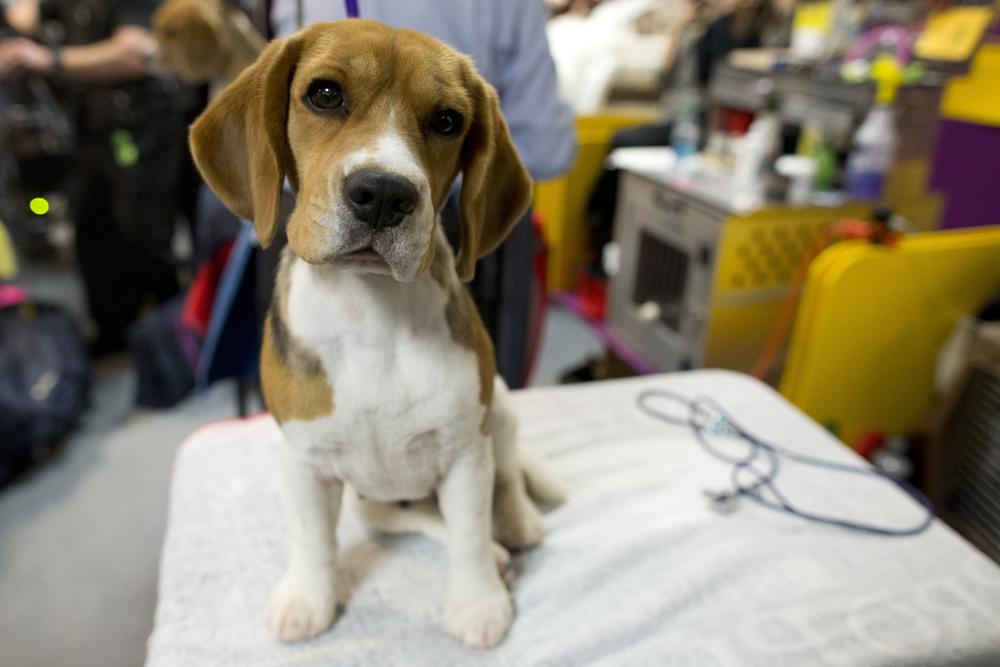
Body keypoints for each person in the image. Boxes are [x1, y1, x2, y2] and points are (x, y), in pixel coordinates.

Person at [265, 0, 578, 388]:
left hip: (333, 218)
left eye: (445, 121)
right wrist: (451, 157)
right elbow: (549, 149)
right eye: (327, 95)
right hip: (456, 221)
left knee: (310, 419)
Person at [0, 0, 184, 355]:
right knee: (91, 234)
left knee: (144, 235)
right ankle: (114, 335)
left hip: (140, 124)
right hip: (87, 128)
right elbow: (25, 18)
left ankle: (175, 344)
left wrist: (50, 60)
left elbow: (133, 53)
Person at [585, 0, 793, 277]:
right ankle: (601, 235)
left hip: (715, 124)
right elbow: (672, 76)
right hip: (689, 118)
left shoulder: (770, 29)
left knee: (623, 145)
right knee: (619, 147)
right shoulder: (714, 25)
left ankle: (602, 236)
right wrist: (680, 24)